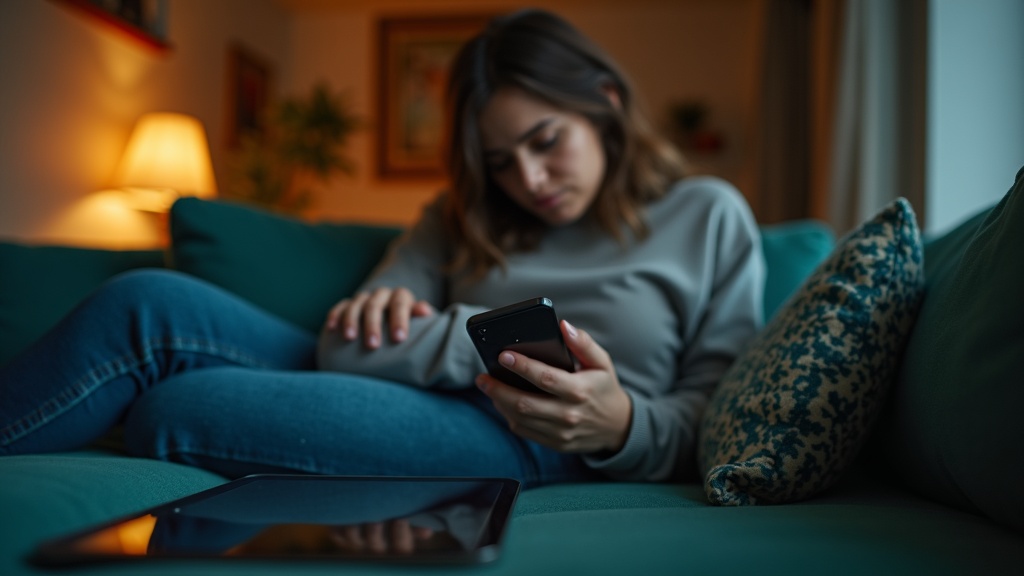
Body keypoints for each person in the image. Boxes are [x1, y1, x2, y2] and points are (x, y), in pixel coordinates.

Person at [0, 9, 764, 488]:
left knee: (180, 408)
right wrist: (480, 342)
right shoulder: (455, 215)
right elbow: (347, 343)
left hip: (539, 442)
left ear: (605, 102)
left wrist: (623, 425)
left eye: (544, 141)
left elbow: (714, 417)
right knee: (143, 299)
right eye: (499, 161)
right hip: (413, 389)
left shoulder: (709, 216)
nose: (528, 179)